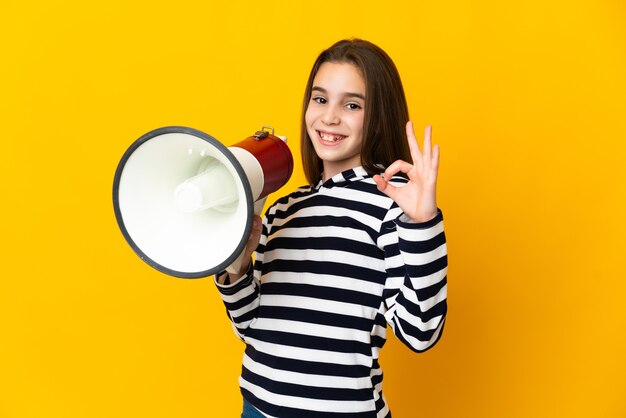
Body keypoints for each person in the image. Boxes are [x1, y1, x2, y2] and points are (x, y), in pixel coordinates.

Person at [215, 38, 448, 418]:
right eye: (320, 99)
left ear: (378, 116)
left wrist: (423, 224)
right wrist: (237, 267)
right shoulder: (283, 209)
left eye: (352, 105)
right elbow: (251, 328)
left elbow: (421, 332)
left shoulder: (392, 203)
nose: (329, 118)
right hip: (256, 408)